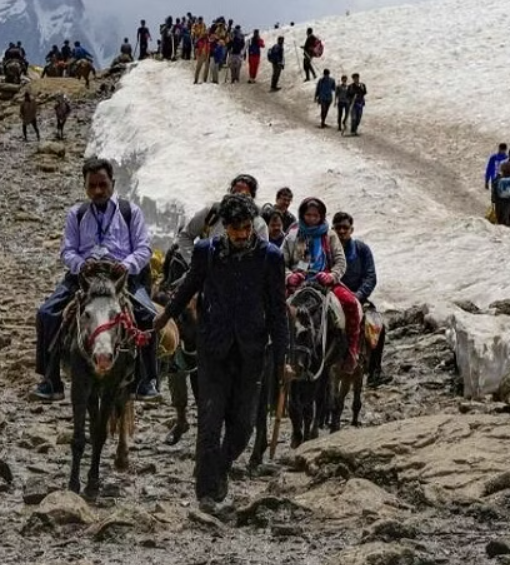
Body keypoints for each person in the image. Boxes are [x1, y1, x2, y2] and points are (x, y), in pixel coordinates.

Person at [153, 194, 289, 508]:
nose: (241, 235)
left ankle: (221, 468)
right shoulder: (206, 252)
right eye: (234, 229)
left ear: (253, 226)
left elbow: (277, 310)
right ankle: (206, 494)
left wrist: (283, 358)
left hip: (252, 350)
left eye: (246, 228)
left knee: (243, 426)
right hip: (213, 348)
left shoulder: (270, 257)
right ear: (224, 227)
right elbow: (189, 287)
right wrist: (167, 314)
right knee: (210, 422)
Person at [34, 158, 161, 402]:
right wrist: (81, 264)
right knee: (47, 313)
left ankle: (146, 380)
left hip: (122, 278)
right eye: (92, 186)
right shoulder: (77, 214)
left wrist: (125, 265)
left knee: (147, 315)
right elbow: (67, 250)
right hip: (83, 278)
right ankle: (51, 380)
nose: (98, 191)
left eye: (102, 185)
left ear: (112, 183)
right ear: (85, 186)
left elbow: (144, 248)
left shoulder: (130, 211)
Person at [281, 197, 363, 373]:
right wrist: (289, 276)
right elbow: (281, 262)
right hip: (297, 284)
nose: (311, 219)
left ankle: (351, 351)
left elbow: (340, 261)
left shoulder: (330, 235)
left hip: (325, 283)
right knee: (274, 308)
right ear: (302, 215)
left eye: (316, 215)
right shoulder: (292, 235)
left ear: (322, 216)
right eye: (308, 215)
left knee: (350, 304)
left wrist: (331, 275)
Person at [332, 212, 385, 386]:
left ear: (351, 229)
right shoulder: (328, 248)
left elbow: (371, 276)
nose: (341, 231)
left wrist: (359, 295)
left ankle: (375, 371)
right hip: (332, 296)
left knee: (379, 327)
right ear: (332, 229)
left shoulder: (362, 250)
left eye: (345, 228)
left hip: (358, 297)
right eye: (338, 228)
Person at [175, 174, 269, 262]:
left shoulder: (259, 224)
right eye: (234, 192)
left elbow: (262, 257)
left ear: (251, 199)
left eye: (243, 195)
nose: (237, 197)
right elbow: (185, 236)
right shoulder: (213, 212)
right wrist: (195, 262)